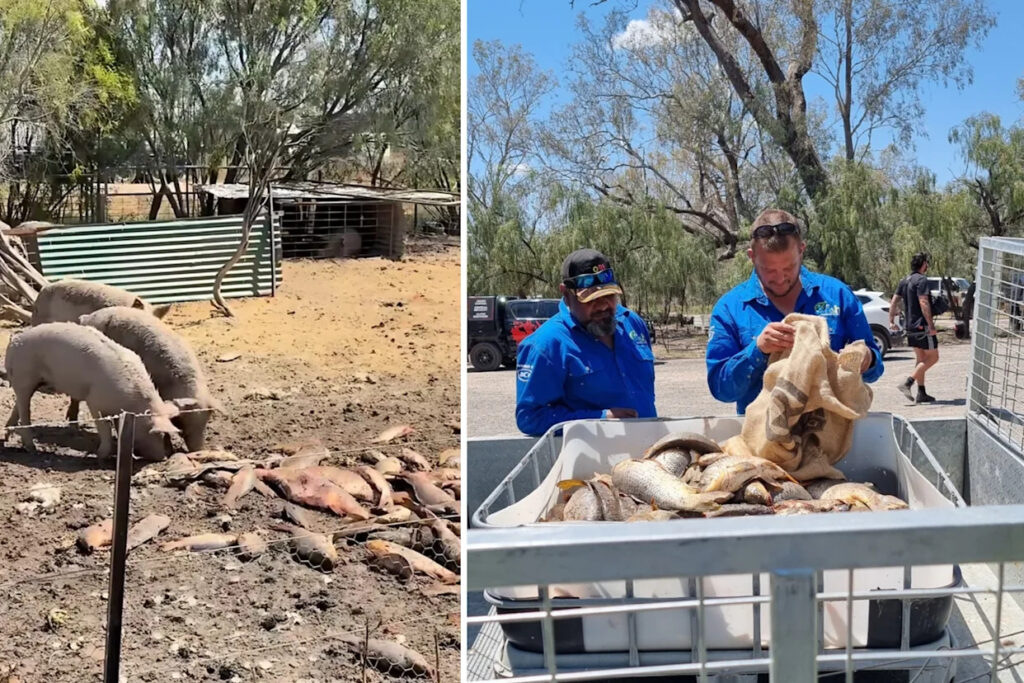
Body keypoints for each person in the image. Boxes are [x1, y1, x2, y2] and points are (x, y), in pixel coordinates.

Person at [706, 209, 884, 415]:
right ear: (752, 257)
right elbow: (721, 389)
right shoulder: (729, 308)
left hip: (833, 435)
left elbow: (875, 369)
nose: (780, 279)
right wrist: (757, 351)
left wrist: (867, 358)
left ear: (801, 251)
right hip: (761, 438)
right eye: (769, 270)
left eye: (789, 268)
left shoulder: (837, 295)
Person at [515, 248, 656, 436]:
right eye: (591, 299)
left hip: (649, 450)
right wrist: (599, 418)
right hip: (594, 460)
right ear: (566, 293)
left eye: (609, 295)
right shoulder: (546, 345)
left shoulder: (632, 323)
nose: (604, 305)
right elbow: (530, 418)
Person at [888, 252, 939, 403]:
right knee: (933, 357)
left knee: (921, 358)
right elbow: (924, 302)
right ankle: (908, 383)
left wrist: (891, 320)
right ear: (924, 264)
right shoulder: (921, 280)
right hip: (921, 327)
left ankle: (921, 393)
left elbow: (894, 301)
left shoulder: (904, 280)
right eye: (926, 263)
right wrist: (930, 325)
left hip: (909, 326)